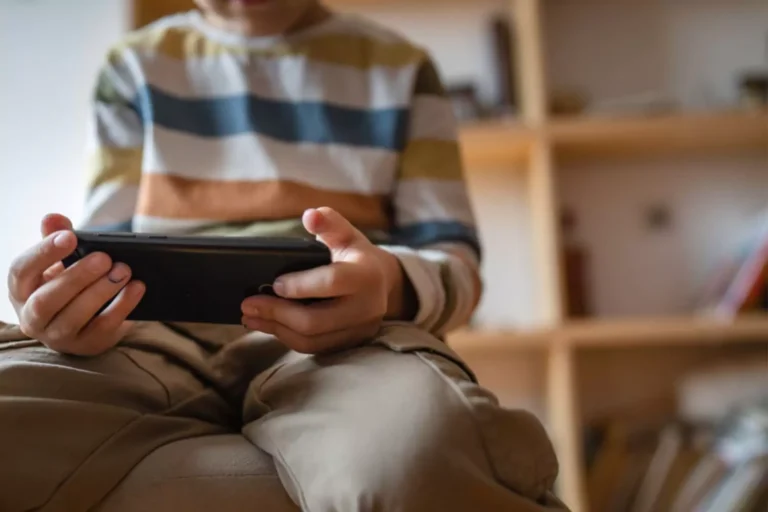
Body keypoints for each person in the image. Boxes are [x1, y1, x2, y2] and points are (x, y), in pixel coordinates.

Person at [0, 0, 567, 510]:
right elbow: (107, 249)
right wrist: (74, 306)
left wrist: (385, 285)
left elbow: (457, 267)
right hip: (151, 342)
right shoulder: (132, 67)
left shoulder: (400, 67)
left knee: (420, 452)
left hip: (346, 342)